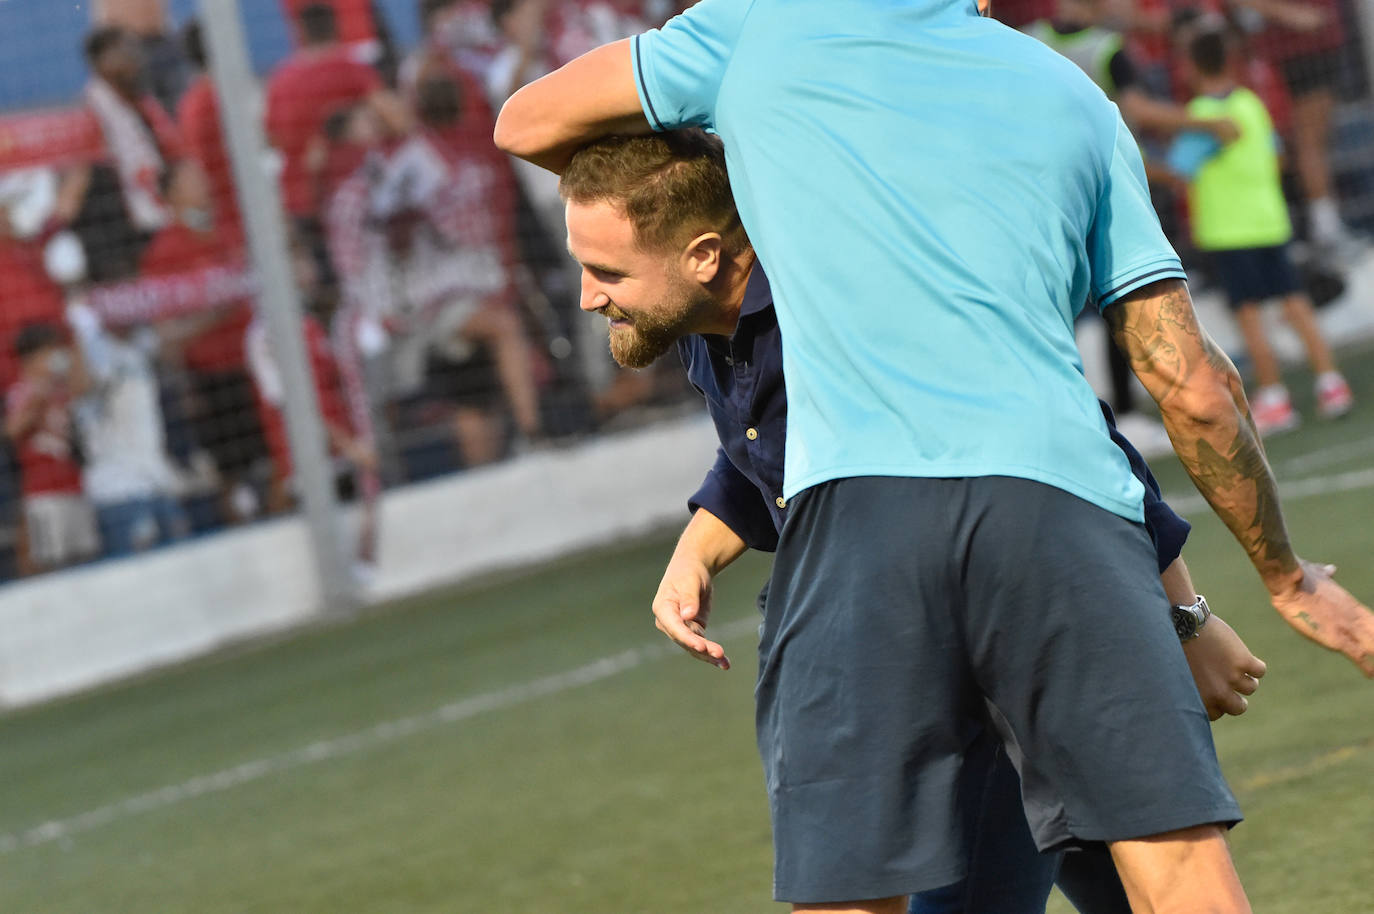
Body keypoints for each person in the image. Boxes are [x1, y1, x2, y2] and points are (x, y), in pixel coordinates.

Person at [495, 4, 1374, 912]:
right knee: (1176, 874)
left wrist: (715, 125)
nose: (596, 294)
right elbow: (1188, 385)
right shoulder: (1069, 91)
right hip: (1060, 516)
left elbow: (521, 122)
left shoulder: (763, 33)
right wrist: (1285, 580)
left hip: (863, 528)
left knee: (859, 895)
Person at [560, 129, 1270, 914]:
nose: (588, 296)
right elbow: (761, 451)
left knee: (1163, 884)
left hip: (1017, 631)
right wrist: (695, 553)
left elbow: (1067, 433)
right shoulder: (699, 331)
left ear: (703, 255)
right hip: (916, 665)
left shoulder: (852, 303)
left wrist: (1185, 617)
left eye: (606, 271)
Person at [1169, 26, 1353, 434]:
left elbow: (1181, 173)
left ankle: (1273, 397)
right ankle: (1331, 383)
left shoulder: (1201, 116)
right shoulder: (1250, 103)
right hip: (1270, 221)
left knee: (1249, 315)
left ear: (1192, 66)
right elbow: (1277, 158)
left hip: (1229, 232)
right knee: (1294, 304)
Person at [4, 323, 100, 574]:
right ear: (30, 358)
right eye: (49, 352)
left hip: (76, 485)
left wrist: (76, 348)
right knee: (50, 565)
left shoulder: (62, 387)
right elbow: (12, 430)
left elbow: (85, 389)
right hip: (43, 494)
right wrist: (39, 395)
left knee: (85, 562)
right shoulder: (21, 391)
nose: (55, 358)